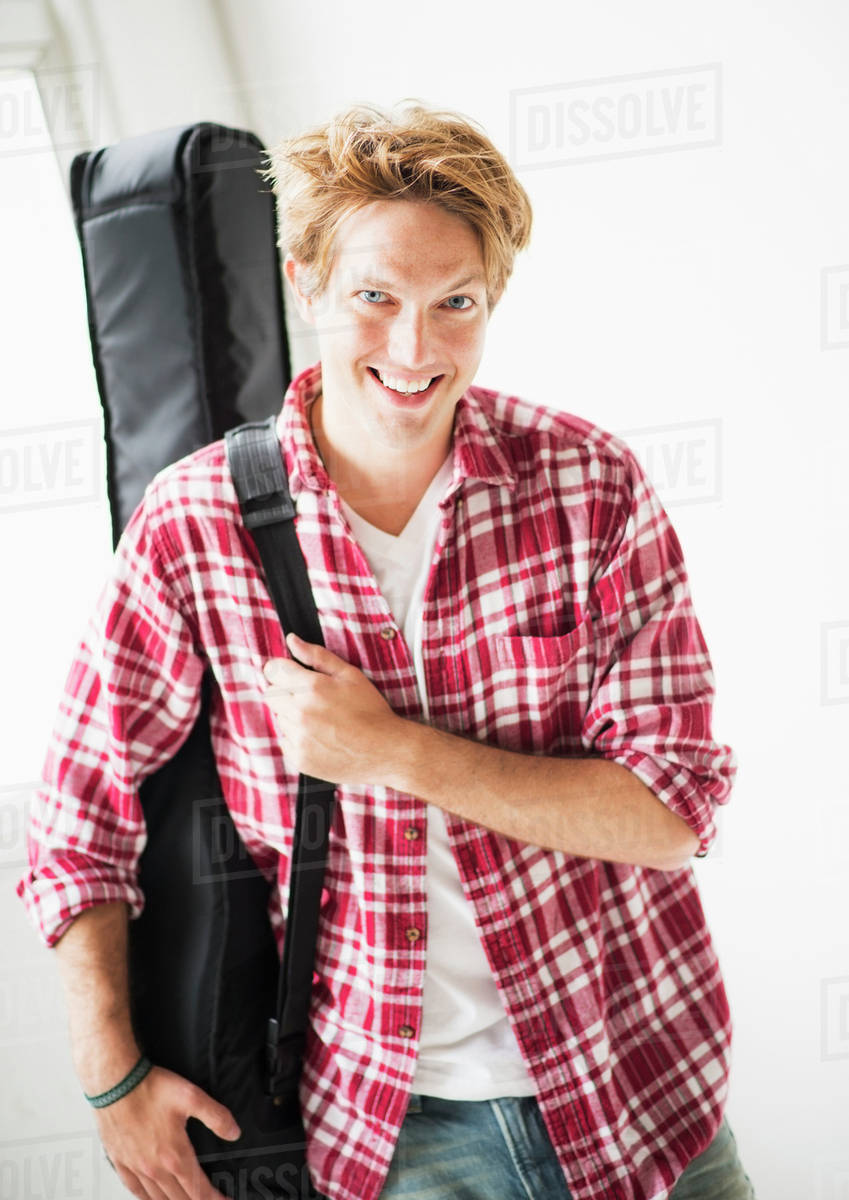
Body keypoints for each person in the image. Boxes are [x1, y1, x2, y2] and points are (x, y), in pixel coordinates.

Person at [17, 102, 756, 1200]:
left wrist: (393, 752)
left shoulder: (589, 486)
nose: (414, 350)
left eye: (454, 303)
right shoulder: (195, 523)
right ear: (305, 282)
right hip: (393, 1134)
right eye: (375, 298)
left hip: (640, 1088)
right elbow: (82, 813)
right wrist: (107, 1074)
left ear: (491, 300)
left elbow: (670, 812)